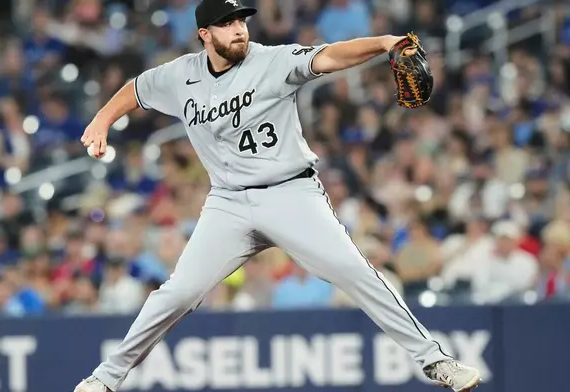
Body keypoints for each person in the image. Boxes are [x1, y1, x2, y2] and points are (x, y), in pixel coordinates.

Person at [75, 1, 481, 391]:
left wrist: (383, 43)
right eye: (227, 23)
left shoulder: (272, 60)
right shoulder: (179, 76)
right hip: (228, 202)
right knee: (178, 293)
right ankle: (106, 378)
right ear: (204, 34)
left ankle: (434, 360)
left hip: (290, 193)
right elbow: (137, 88)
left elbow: (330, 56)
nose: (239, 29)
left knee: (354, 271)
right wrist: (102, 119)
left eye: (241, 21)